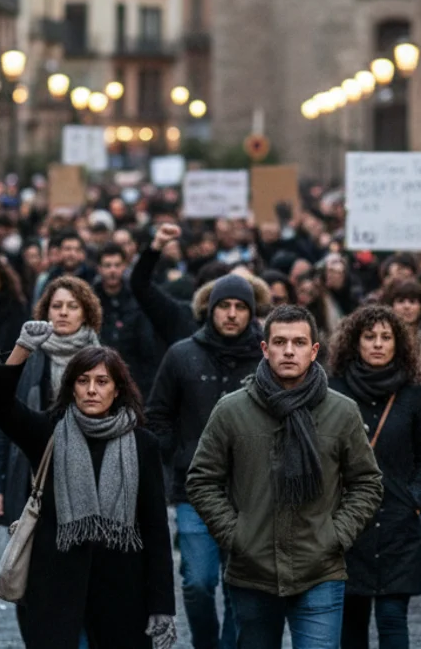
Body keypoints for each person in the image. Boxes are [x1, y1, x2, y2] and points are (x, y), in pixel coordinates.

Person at [186, 305, 384, 649]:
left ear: (314, 350)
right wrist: (237, 535)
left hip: (320, 568)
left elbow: (367, 482)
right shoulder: (232, 409)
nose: (289, 351)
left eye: (298, 342)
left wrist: (335, 535)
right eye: (279, 342)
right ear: (265, 348)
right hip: (252, 570)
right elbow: (202, 479)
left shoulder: (341, 411)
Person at [0, 335, 176, 648]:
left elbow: (156, 530)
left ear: (117, 389)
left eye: (102, 381)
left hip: (122, 597)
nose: (91, 389)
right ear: (71, 386)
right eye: (83, 380)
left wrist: (162, 606)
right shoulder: (48, 432)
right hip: (54, 591)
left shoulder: (143, 445)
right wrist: (22, 349)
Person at [146, 273, 264, 649]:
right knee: (197, 582)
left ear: (251, 313)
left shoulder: (265, 358)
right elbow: (157, 413)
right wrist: (175, 453)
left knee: (239, 583)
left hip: (250, 491)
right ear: (209, 310)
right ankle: (207, 642)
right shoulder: (182, 354)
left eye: (240, 308)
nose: (231, 315)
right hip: (193, 488)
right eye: (224, 307)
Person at [328, 306, 421, 649]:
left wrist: (416, 500)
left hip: (398, 525)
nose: (377, 344)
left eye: (386, 337)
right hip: (348, 526)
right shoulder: (335, 390)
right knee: (352, 622)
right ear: (354, 342)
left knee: (393, 621)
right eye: (369, 337)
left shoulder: (411, 394)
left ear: (398, 344)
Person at [0, 276, 102, 545]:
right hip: (31, 474)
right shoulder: (28, 357)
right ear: (45, 311)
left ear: (86, 313)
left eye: (72, 306)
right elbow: (1, 421)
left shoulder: (101, 360)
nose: (63, 312)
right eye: (56, 305)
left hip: (86, 474)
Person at [96, 243, 160, 391]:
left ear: (124, 266)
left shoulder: (137, 298)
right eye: (107, 265)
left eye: (117, 265)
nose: (112, 270)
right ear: (99, 268)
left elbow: (147, 347)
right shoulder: (92, 300)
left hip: (133, 378)